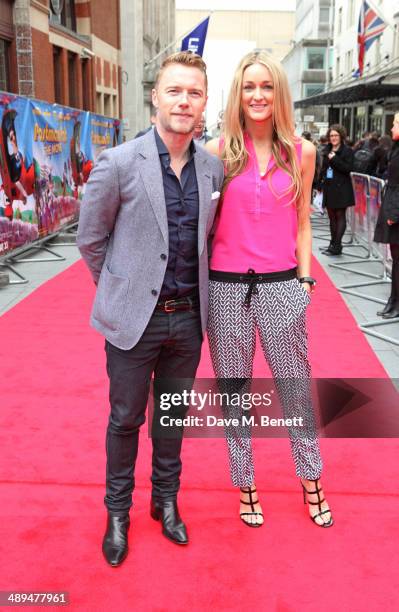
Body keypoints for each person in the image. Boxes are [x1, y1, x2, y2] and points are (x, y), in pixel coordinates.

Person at [77, 51, 224, 566]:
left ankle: (166, 501)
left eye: (195, 93)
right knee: (125, 419)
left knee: (172, 416)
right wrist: (122, 290)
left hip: (188, 319)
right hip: (133, 323)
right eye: (175, 91)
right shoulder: (118, 163)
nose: (184, 101)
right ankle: (118, 511)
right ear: (155, 97)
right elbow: (91, 239)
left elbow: (206, 239)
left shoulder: (212, 168)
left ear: (205, 102)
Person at [206, 51, 333, 529]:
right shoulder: (217, 154)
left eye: (266, 86)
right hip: (225, 288)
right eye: (247, 86)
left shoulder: (302, 152)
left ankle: (312, 480)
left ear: (278, 94)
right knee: (234, 393)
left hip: (283, 287)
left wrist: (303, 281)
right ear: (237, 94)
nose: (257, 95)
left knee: (295, 392)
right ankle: (247, 486)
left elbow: (303, 224)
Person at [374, 113, 399, 319]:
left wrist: (394, 213)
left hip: (396, 210)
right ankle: (393, 301)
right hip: (392, 204)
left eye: (396, 124)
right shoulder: (395, 149)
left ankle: (396, 303)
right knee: (396, 259)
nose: (392, 128)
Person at [319, 124, 354, 255]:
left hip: (342, 188)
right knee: (331, 217)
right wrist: (319, 185)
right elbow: (323, 169)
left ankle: (337, 245)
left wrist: (334, 159)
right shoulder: (326, 149)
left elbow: (348, 168)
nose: (333, 138)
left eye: (336, 135)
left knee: (340, 216)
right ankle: (332, 243)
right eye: (331, 135)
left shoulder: (347, 151)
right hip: (329, 187)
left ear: (341, 136)